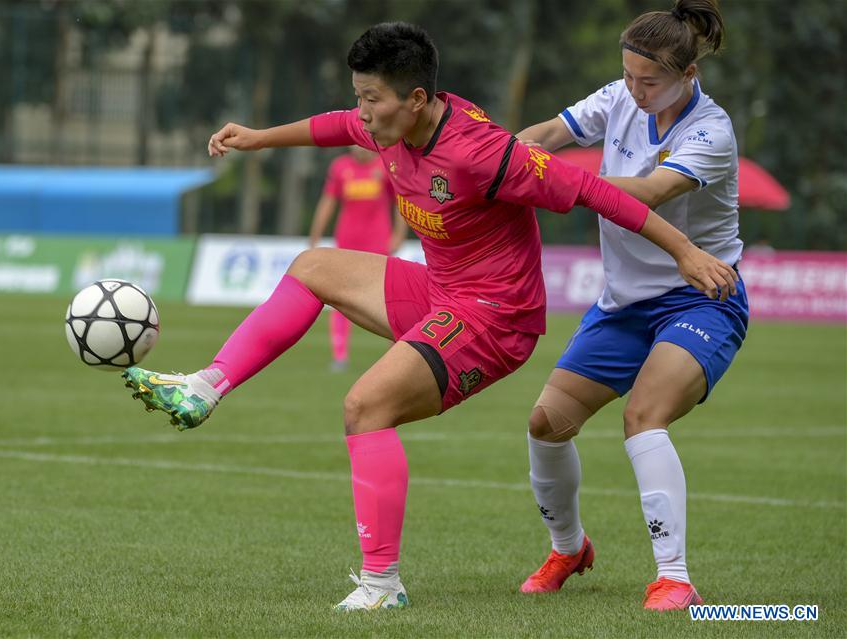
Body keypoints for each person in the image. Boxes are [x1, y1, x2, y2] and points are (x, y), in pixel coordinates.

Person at [121, 21, 737, 612]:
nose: (362, 112)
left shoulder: (481, 154)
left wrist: (685, 252)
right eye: (359, 96)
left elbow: (594, 192)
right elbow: (338, 127)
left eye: (372, 99)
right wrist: (259, 137)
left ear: (416, 99)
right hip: (443, 291)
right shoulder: (392, 124)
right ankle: (206, 387)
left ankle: (382, 583)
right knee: (313, 266)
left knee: (365, 407)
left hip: (496, 315)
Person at [515, 0, 747, 611]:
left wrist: (555, 181)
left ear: (687, 74)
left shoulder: (711, 132)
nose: (635, 91)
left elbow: (646, 193)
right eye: (628, 76)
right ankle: (569, 548)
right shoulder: (619, 96)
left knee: (643, 416)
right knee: (546, 425)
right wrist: (500, 162)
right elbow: (546, 134)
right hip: (621, 306)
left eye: (650, 81)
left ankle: (675, 579)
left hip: (701, 300)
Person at [308, 145, 405, 371]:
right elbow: (328, 201)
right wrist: (315, 235)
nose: (358, 147)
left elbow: (400, 201)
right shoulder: (340, 167)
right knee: (340, 297)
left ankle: (398, 351)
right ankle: (339, 355)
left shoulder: (384, 165)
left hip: (378, 243)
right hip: (347, 243)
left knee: (389, 298)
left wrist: (399, 234)